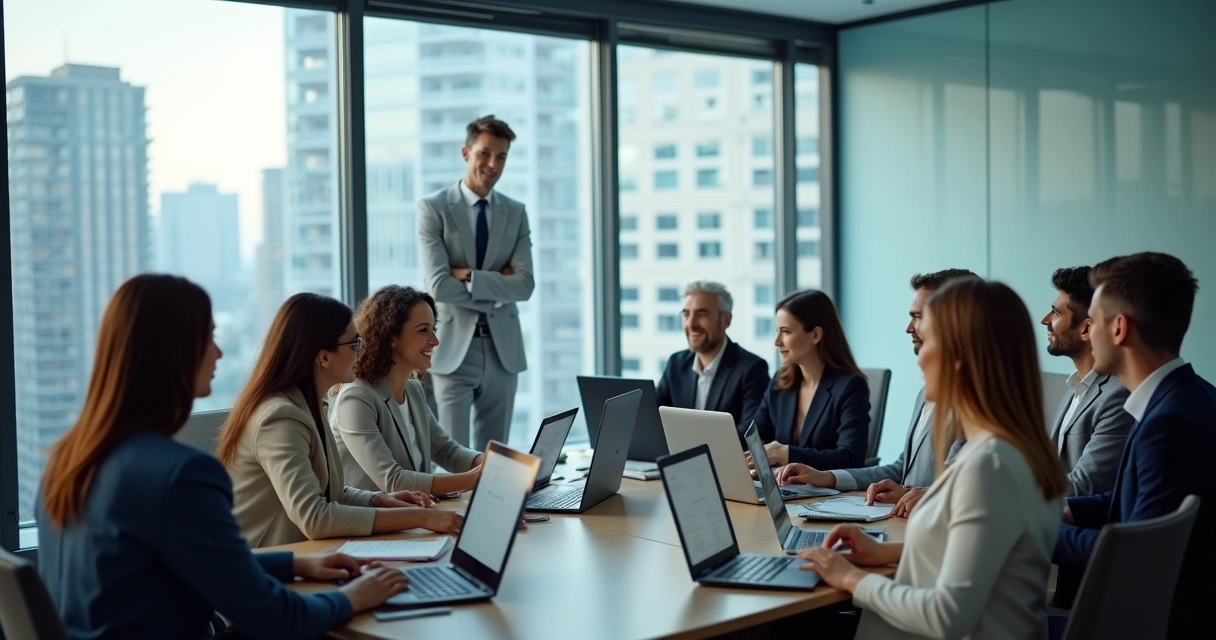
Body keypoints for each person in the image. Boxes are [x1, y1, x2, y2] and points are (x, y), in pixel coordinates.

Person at [36, 275, 407, 640]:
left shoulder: (66, 462)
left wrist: (295, 562)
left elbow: (178, 564)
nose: (219, 353)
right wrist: (353, 597)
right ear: (175, 352)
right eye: (209, 337)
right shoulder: (180, 475)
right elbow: (278, 618)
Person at [798, 278, 1068, 639]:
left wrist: (849, 577)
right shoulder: (1006, 452)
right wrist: (885, 552)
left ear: (959, 358)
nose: (920, 354)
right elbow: (981, 553)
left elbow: (946, 616)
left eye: (930, 340)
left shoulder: (989, 467)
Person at [1053, 252, 1216, 637]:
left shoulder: (1169, 424)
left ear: (1119, 329)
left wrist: (1035, 529)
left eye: (1094, 321)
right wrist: (1058, 510)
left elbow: (1132, 557)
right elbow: (1126, 504)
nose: (1087, 332)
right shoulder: (1186, 398)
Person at [218, 293, 463, 549]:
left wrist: (378, 500)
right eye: (355, 343)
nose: (363, 349)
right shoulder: (280, 418)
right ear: (323, 357)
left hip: (302, 555)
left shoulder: (308, 405)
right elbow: (315, 517)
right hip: (264, 567)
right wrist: (420, 517)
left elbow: (326, 492)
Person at [777, 269, 974, 516]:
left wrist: (920, 496)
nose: (908, 328)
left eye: (917, 317)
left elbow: (963, 489)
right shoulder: (927, 390)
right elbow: (902, 468)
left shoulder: (976, 400)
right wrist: (827, 477)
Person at [417, 114, 534, 451]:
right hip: (453, 351)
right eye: (485, 153)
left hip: (503, 352)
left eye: (501, 156)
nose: (492, 164)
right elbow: (439, 286)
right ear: (466, 152)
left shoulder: (516, 212)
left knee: (495, 462)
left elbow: (525, 286)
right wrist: (499, 289)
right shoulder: (434, 208)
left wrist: (467, 276)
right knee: (453, 457)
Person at [330, 285, 484, 495]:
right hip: (371, 523)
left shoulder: (412, 390)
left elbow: (446, 451)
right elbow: (393, 481)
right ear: (390, 336)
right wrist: (475, 479)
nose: (435, 340)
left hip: (413, 517)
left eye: (434, 329)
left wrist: (494, 463)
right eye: (423, 330)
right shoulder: (356, 397)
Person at [745, 290, 869, 470]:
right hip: (785, 489)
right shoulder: (780, 382)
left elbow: (850, 458)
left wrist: (786, 453)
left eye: (785, 332)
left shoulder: (850, 387)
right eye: (777, 331)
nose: (777, 341)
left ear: (815, 335)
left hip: (827, 495)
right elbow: (754, 436)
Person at [1040, 266, 1132, 497]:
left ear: (1086, 329)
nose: (1045, 321)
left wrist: (1006, 490)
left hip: (1081, 528)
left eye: (1056, 313)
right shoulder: (1076, 387)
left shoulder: (1119, 396)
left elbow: (1086, 485)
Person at [656, 281, 770, 428]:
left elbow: (751, 433)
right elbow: (654, 416)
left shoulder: (751, 369)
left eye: (701, 314)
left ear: (726, 320)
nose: (691, 324)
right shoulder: (676, 363)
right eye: (686, 314)